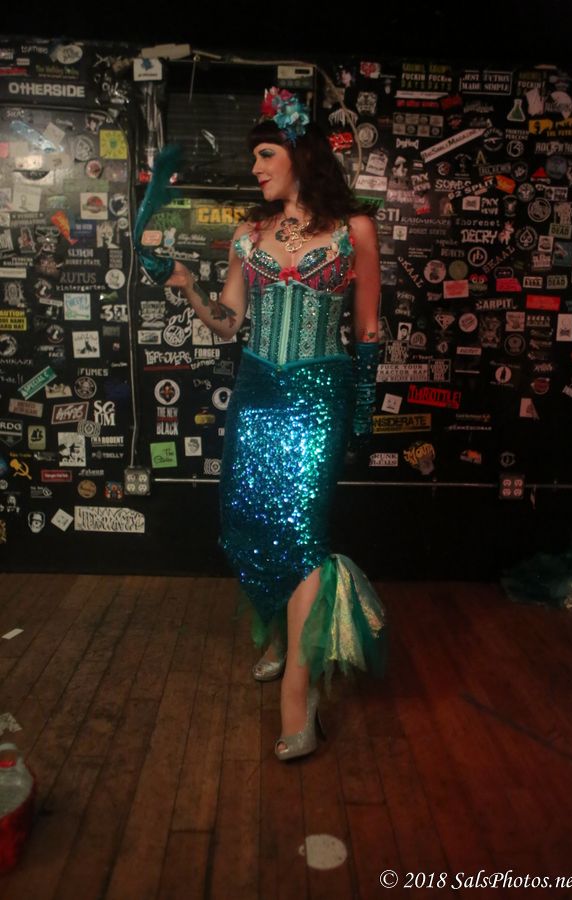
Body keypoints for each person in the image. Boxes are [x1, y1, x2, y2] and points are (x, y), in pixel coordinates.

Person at [166, 87, 387, 761]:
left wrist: (362, 407)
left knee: (302, 531)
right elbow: (231, 322)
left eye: (266, 154)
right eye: (255, 157)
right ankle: (281, 634)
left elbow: (368, 328)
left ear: (300, 155)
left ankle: (300, 692)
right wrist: (191, 288)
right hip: (258, 388)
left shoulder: (354, 230)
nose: (256, 167)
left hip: (320, 394)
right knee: (251, 521)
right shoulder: (248, 233)